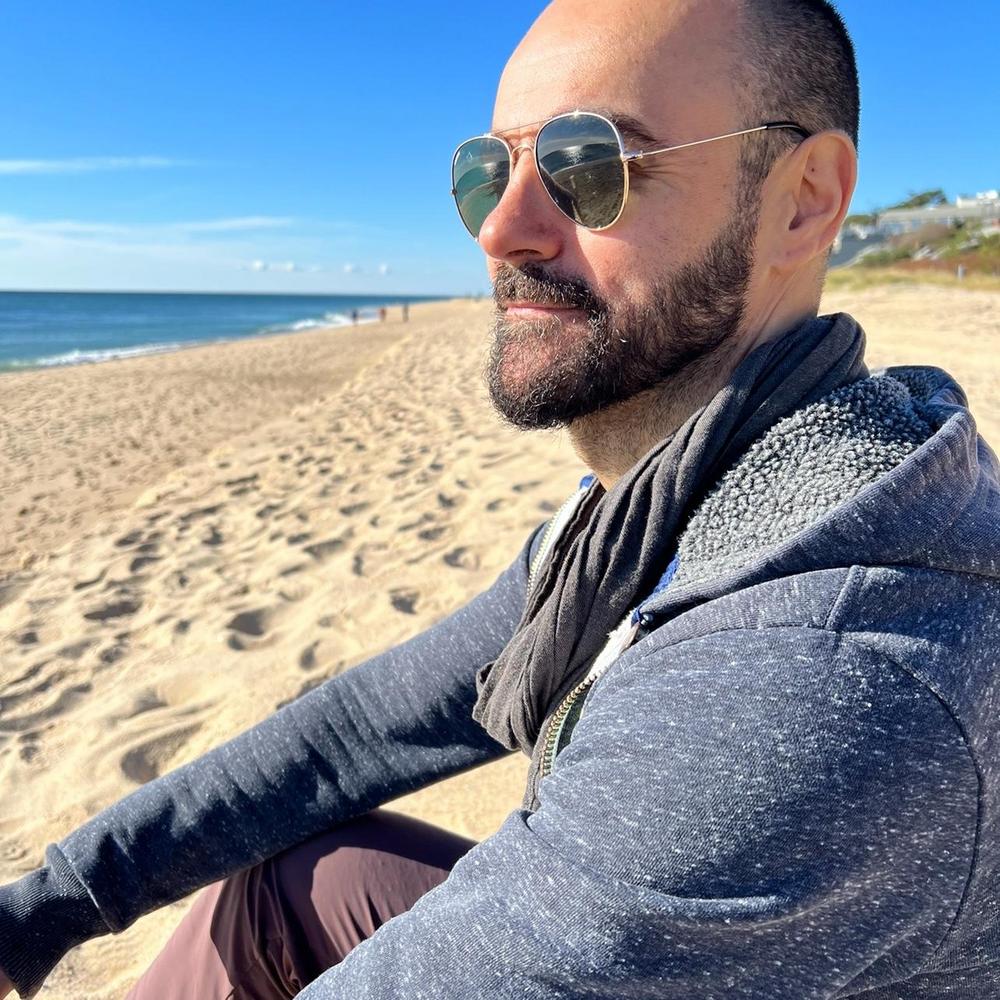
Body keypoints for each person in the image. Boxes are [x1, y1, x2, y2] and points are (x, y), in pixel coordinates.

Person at [2, 0, 999, 997]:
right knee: (289, 887)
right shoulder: (651, 513)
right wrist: (41, 910)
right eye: (488, 171)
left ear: (804, 202)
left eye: (590, 165)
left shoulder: (811, 668)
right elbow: (352, 733)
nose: (500, 229)